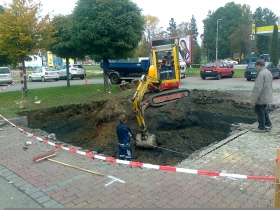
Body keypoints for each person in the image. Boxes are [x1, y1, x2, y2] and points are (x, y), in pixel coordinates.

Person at [250, 59, 273, 132]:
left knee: (259, 111)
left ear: (259, 65)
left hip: (261, 97)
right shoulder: (268, 72)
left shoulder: (261, 74)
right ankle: (268, 124)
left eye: (256, 66)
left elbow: (258, 88)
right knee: (264, 110)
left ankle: (261, 127)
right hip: (266, 96)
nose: (256, 68)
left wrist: (253, 100)